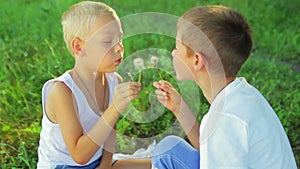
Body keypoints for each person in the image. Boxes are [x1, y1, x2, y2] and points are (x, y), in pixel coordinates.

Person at [151, 5, 297, 169]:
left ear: (197, 61)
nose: (173, 53)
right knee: (169, 151)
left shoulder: (224, 119)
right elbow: (213, 151)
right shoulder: (243, 94)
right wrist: (179, 108)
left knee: (165, 156)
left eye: (177, 48)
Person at [37, 1, 141, 168]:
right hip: (64, 166)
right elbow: (79, 155)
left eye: (120, 38)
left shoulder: (114, 80)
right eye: (108, 41)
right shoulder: (62, 91)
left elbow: (109, 131)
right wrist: (114, 109)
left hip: (97, 161)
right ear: (79, 47)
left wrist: (106, 164)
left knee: (160, 163)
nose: (120, 47)